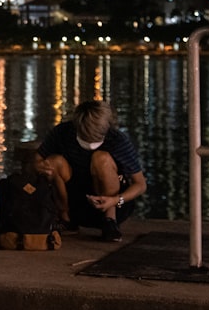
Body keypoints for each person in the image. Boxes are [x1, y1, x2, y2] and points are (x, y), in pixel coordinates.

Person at [35, 100, 146, 242]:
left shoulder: (117, 140)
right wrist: (43, 168)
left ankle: (109, 221)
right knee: (54, 161)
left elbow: (140, 184)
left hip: (113, 203)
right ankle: (66, 219)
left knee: (101, 158)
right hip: (74, 201)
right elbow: (37, 160)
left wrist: (115, 200)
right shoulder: (62, 132)